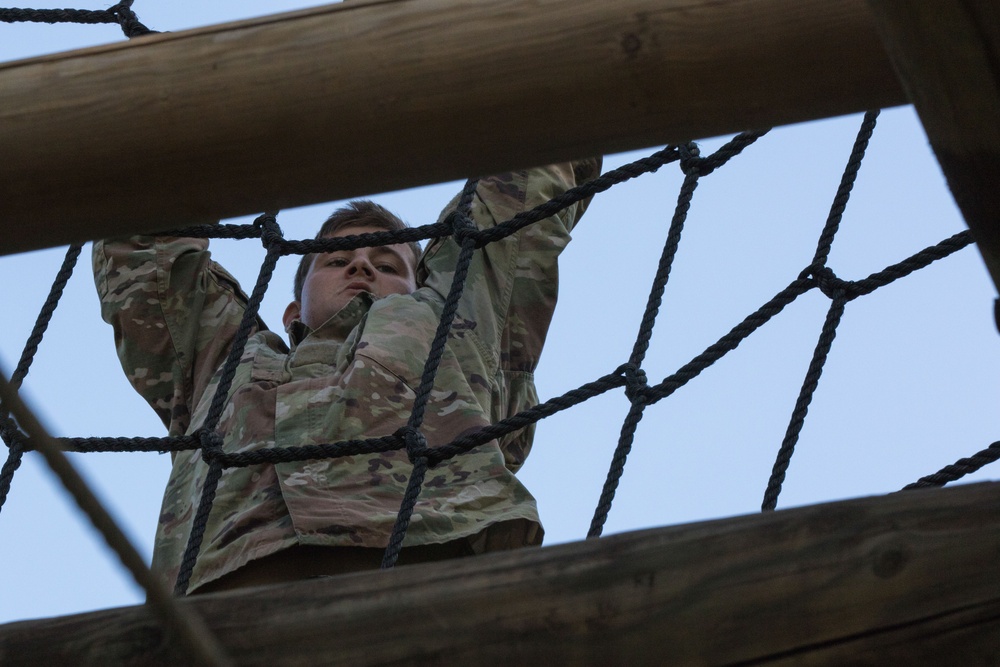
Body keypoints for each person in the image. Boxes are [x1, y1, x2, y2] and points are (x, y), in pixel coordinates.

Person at [93, 158, 602, 593]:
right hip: (229, 580)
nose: (361, 264)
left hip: (435, 560)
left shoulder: (454, 317)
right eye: (337, 260)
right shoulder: (225, 361)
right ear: (293, 313)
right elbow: (146, 253)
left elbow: (515, 193)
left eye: (388, 263)